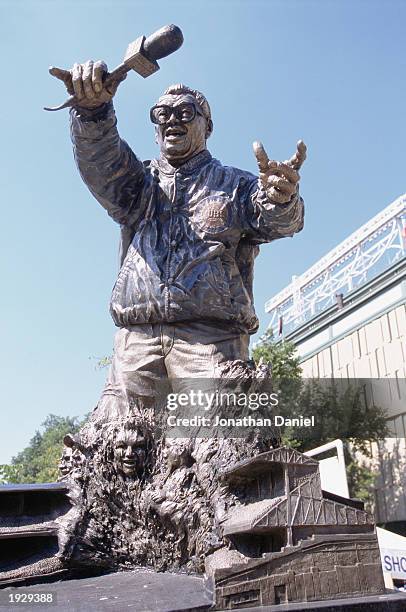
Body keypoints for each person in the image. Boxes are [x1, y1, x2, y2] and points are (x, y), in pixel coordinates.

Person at [51, 60, 307, 419]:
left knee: (223, 440)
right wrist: (92, 112)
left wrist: (282, 198)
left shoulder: (237, 185)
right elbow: (102, 162)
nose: (173, 119)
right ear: (156, 128)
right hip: (136, 341)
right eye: (162, 113)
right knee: (116, 444)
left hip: (212, 340)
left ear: (207, 125)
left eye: (186, 111)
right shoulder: (138, 185)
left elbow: (280, 222)